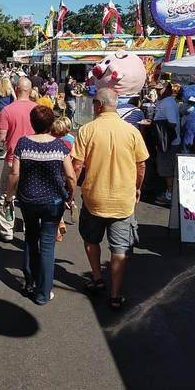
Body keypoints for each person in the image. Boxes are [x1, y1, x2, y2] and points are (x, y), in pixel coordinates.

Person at [72, 88, 149, 309]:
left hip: (93, 196)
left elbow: (76, 165)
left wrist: (70, 191)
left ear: (98, 105)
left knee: (91, 239)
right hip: (123, 199)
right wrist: (137, 187)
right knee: (120, 249)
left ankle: (97, 278)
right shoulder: (131, 131)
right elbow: (141, 165)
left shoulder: (87, 130)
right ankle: (115, 295)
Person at [4, 106, 76, 304]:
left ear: (32, 123)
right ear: (51, 123)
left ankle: (30, 282)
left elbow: (14, 173)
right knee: (47, 245)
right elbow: (70, 175)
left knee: (30, 238)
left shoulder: (23, 143)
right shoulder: (60, 146)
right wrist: (71, 196)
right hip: (53, 201)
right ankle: (43, 293)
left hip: (29, 200)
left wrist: (9, 196)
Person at [0, 77, 36, 241]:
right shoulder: (38, 109)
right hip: (35, 158)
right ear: (30, 90)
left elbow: (0, 137)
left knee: (7, 194)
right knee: (31, 196)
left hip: (13, 158)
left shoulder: (7, 110)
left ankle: (7, 230)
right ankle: (30, 228)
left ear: (16, 89)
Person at [150, 81, 181, 206]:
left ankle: (170, 195)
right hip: (166, 142)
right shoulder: (164, 101)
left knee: (167, 169)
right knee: (165, 168)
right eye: (157, 89)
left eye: (160, 89)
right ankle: (169, 193)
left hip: (169, 143)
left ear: (167, 89)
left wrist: (157, 126)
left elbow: (172, 123)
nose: (158, 92)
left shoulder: (168, 102)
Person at [51, 116, 78, 241]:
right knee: (66, 193)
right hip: (69, 170)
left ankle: (59, 223)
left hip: (57, 172)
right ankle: (72, 203)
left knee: (56, 198)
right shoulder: (71, 139)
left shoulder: (54, 142)